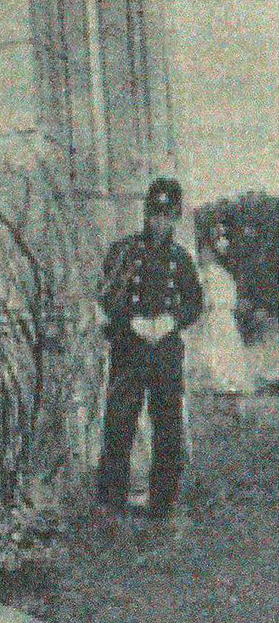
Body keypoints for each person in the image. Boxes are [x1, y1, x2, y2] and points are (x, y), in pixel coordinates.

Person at [96, 176, 205, 518]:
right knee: (120, 421)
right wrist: (131, 321)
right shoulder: (124, 252)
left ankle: (163, 499)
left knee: (168, 423)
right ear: (145, 214)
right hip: (129, 349)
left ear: (176, 217)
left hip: (166, 351)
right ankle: (111, 499)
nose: (160, 223)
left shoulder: (182, 259)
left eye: (168, 215)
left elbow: (194, 302)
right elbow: (108, 296)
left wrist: (173, 321)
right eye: (155, 215)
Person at [189, 225, 252, 393]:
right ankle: (215, 379)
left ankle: (228, 380)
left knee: (225, 345)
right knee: (211, 346)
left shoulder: (220, 273)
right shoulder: (206, 273)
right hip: (213, 315)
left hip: (222, 315)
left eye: (206, 253)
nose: (203, 256)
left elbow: (227, 298)